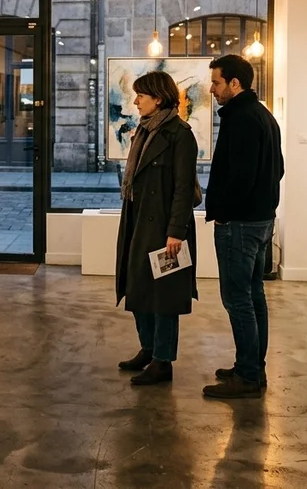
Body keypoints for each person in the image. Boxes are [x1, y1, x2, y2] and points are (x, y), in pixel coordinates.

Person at [202, 54, 284, 399]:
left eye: (217, 82)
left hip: (241, 223)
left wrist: (224, 212)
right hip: (262, 220)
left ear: (236, 83)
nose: (212, 89)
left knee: (238, 299)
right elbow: (277, 169)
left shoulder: (242, 120)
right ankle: (252, 367)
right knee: (253, 296)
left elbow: (241, 177)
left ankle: (248, 374)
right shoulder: (264, 115)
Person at [114, 71, 200, 386]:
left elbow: (182, 188)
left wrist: (176, 231)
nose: (135, 101)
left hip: (166, 227)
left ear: (158, 99)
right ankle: (148, 349)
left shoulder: (180, 134)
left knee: (165, 296)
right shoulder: (145, 131)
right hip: (139, 221)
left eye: (141, 96)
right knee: (137, 288)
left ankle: (163, 361)